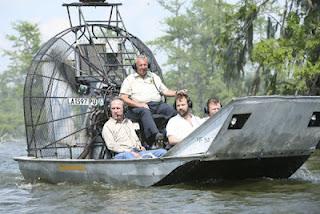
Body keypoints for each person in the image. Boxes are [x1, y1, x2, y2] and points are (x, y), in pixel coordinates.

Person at [120, 55, 186, 145]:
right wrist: (140, 104)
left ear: (148, 65)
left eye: (145, 65)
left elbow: (165, 91)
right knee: (145, 111)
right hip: (137, 107)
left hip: (156, 104)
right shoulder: (130, 79)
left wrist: (177, 92)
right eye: (141, 65)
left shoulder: (153, 77)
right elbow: (123, 97)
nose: (143, 67)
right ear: (136, 66)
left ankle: (176, 134)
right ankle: (156, 136)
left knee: (171, 110)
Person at [102, 97, 167, 159]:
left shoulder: (128, 122)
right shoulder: (107, 126)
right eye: (113, 109)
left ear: (124, 109)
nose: (115, 111)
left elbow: (135, 138)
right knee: (130, 156)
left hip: (137, 152)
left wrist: (140, 147)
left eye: (118, 108)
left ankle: (145, 160)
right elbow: (111, 146)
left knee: (162, 152)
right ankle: (143, 161)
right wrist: (129, 151)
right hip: (122, 154)